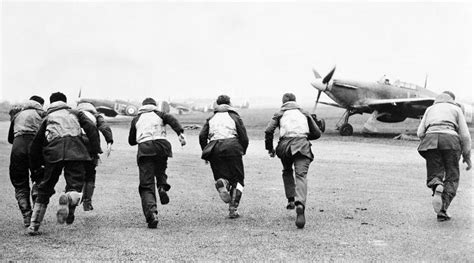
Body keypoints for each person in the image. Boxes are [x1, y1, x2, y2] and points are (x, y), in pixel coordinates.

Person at [28, 92, 100, 235]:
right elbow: (91, 128)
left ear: (51, 103)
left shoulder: (48, 117)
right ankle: (68, 198)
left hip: (54, 151)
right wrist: (95, 149)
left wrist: (36, 166)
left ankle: (34, 225)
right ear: (65, 102)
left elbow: (36, 144)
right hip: (76, 150)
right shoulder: (76, 113)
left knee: (46, 187)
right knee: (75, 185)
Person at [265, 93, 321, 229]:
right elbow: (317, 133)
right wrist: (304, 136)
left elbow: (268, 130)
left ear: (283, 102)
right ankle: (300, 203)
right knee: (301, 175)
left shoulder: (279, 113)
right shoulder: (304, 113)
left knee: (287, 170)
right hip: (302, 144)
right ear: (295, 101)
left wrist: (270, 149)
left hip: (285, 146)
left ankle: (290, 199)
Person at [128, 98, 186, 228]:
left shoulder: (137, 119)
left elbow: (131, 141)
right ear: (154, 106)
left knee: (146, 184)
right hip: (162, 146)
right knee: (161, 170)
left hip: (145, 148)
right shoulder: (160, 114)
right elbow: (171, 119)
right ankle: (162, 187)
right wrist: (180, 133)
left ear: (142, 106)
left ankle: (152, 214)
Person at [417, 91, 471, 222]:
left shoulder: (430, 109)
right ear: (452, 99)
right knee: (452, 176)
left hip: (430, 140)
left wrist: (430, 139)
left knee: (435, 173)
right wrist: (467, 155)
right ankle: (443, 209)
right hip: (450, 140)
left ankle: (436, 184)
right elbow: (465, 135)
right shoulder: (456, 109)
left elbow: (420, 132)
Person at [199, 95, 249, 219]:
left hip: (214, 149)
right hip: (233, 147)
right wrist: (242, 149)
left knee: (222, 177)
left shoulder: (211, 118)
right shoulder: (234, 116)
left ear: (217, 104)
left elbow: (202, 135)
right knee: (238, 180)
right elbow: (244, 136)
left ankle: (223, 183)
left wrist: (206, 151)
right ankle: (233, 208)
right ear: (229, 103)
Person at [8, 96, 46, 227]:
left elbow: (10, 138)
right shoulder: (42, 114)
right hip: (35, 146)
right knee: (39, 178)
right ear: (40, 104)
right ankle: (35, 213)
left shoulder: (18, 115)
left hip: (17, 147)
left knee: (20, 183)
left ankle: (26, 216)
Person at [76, 102, 113, 211]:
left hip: (76, 145)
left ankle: (73, 199)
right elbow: (104, 126)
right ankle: (87, 202)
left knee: (75, 174)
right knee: (90, 174)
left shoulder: (75, 115)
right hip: (91, 147)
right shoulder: (96, 116)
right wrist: (109, 141)